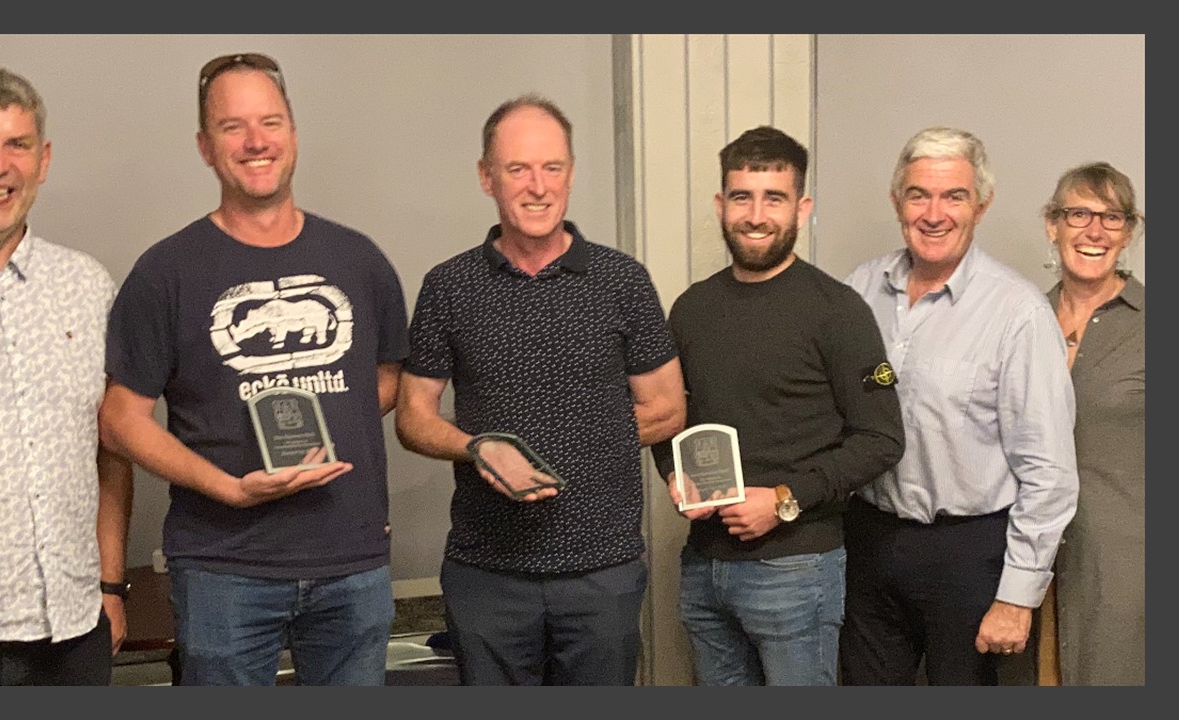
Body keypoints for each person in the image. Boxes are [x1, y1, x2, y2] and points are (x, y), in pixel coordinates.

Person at [98, 52, 409, 686]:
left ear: (293, 133)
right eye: (232, 126)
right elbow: (119, 421)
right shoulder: (165, 272)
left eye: (270, 121)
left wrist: (322, 421)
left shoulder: (361, 261)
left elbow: (384, 381)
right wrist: (230, 486)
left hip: (352, 563)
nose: (255, 141)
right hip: (223, 569)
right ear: (205, 146)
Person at [395, 93, 686, 686]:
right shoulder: (448, 286)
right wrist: (479, 448)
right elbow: (412, 417)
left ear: (571, 174)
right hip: (487, 573)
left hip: (601, 571)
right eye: (517, 169)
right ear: (486, 178)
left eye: (552, 167)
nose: (537, 186)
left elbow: (668, 409)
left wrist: (579, 436)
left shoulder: (622, 280)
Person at [648, 126, 905, 686]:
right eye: (742, 197)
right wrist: (675, 475)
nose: (756, 215)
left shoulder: (838, 311)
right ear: (721, 204)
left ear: (802, 207)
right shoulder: (691, 309)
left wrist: (786, 499)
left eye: (774, 198)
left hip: (798, 566)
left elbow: (882, 439)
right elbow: (665, 418)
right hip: (704, 567)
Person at [839, 126, 1079, 686]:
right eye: (919, 194)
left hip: (969, 556)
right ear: (897, 201)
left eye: (955, 196)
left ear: (981, 205)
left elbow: (1049, 470)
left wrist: (1018, 596)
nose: (934, 213)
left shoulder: (1016, 312)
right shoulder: (858, 291)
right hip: (869, 542)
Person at [0, 65, 133, 685]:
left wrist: (110, 583)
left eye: (16, 144)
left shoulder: (88, 286)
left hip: (72, 629)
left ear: (42, 160)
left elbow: (111, 449)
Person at [1036, 162, 1144, 686]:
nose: (1094, 231)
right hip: (1024, 561)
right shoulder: (1021, 320)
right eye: (1078, 213)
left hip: (1124, 568)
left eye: (1112, 217)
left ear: (1130, 233)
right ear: (1051, 225)